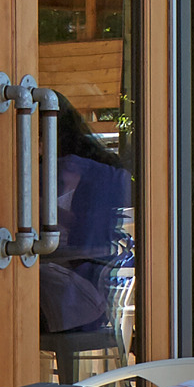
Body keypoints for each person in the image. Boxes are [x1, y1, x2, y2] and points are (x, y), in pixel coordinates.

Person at [38, 101, 133, 342]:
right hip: (76, 291)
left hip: (77, 300)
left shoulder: (97, 175)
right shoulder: (102, 170)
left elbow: (87, 245)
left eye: (38, 135)